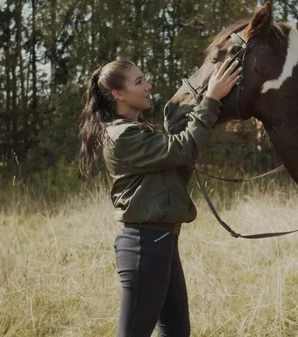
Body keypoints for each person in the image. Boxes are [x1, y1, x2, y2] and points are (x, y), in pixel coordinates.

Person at [78, 58, 242, 337]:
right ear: (118, 94)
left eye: (145, 79)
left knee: (177, 333)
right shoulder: (122, 136)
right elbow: (183, 149)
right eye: (139, 82)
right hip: (145, 248)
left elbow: (177, 169)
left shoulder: (141, 132)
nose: (148, 86)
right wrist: (211, 98)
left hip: (162, 244)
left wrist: (199, 108)